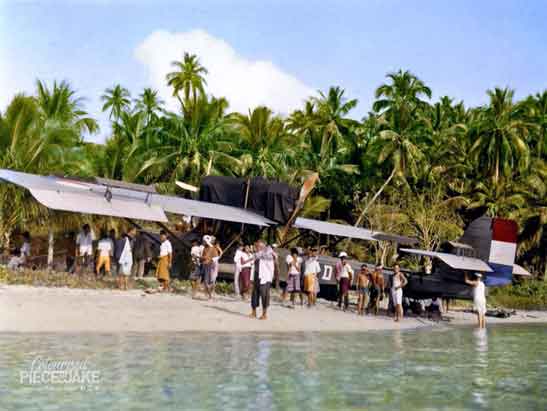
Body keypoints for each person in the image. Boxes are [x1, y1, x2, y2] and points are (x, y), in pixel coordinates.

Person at [249, 240, 277, 320]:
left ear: (262, 247)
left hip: (265, 278)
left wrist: (269, 249)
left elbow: (270, 255)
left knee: (264, 296)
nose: (256, 248)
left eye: (258, 246)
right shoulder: (258, 254)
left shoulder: (268, 255)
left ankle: (264, 314)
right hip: (256, 276)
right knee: (254, 295)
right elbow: (255, 257)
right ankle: (254, 312)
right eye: (256, 246)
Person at [201, 235, 219, 300]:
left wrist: (209, 260)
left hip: (213, 266)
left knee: (212, 281)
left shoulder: (213, 248)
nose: (203, 242)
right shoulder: (205, 248)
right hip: (206, 266)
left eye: (204, 241)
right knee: (206, 281)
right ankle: (210, 295)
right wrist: (202, 259)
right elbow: (203, 257)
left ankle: (211, 295)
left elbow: (216, 258)